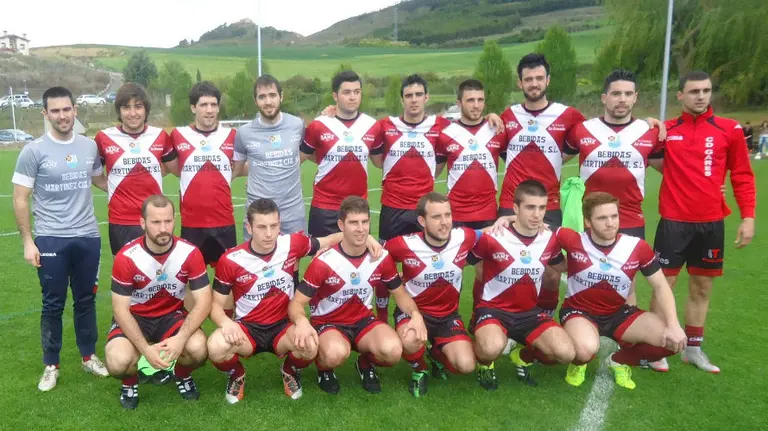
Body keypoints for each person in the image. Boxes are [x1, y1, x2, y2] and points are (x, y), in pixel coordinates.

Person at [207, 198, 379, 402]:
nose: (269, 233)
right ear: (249, 227)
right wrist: (226, 323)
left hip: (283, 327)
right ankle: (236, 375)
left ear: (280, 224)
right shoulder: (231, 260)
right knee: (216, 347)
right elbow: (215, 306)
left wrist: (366, 238)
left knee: (310, 345)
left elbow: (326, 240)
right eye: (261, 227)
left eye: (274, 226)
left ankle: (289, 370)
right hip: (247, 328)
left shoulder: (292, 244)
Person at [650, 71, 756, 373]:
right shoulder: (666, 130)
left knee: (702, 288)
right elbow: (643, 154)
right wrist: (647, 123)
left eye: (706, 90)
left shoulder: (729, 129)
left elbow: (742, 175)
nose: (701, 96)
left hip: (711, 224)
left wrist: (747, 216)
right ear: (680, 95)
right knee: (663, 285)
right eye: (694, 91)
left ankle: (693, 349)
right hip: (673, 222)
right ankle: (655, 347)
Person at [12, 86, 109, 392]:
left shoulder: (89, 146)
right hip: (51, 238)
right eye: (55, 111)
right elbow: (20, 198)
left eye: (67, 109)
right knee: (53, 304)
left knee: (85, 300)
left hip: (87, 237)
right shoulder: (33, 151)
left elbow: (99, 180)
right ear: (46, 114)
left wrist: (135, 185)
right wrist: (29, 241)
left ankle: (88, 355)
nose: (62, 115)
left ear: (75, 110)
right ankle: (51, 365)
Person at [289, 196, 426, 395]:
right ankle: (324, 369)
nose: (360, 229)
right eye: (353, 223)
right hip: (329, 323)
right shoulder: (324, 262)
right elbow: (297, 303)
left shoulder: (380, 258)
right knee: (335, 353)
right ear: (341, 225)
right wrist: (302, 322)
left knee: (393, 351)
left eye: (364, 222)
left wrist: (416, 315)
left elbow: (400, 294)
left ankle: (364, 363)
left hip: (364, 321)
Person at [559, 192, 687, 390]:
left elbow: (661, 286)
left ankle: (619, 360)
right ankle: (578, 364)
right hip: (579, 312)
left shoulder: (636, 247)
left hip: (619, 313)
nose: (610, 223)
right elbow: (535, 228)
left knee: (672, 342)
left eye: (614, 216)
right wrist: (508, 218)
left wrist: (674, 324)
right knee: (586, 350)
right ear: (587, 221)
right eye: (602, 218)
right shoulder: (573, 240)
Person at [499, 54, 587, 317]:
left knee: (551, 271)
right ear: (520, 83)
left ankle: (543, 318)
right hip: (509, 205)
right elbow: (501, 149)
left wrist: (649, 124)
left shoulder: (568, 115)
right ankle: (501, 317)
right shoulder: (508, 115)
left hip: (549, 205)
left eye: (539, 78)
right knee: (503, 268)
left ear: (548, 80)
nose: (534, 83)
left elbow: (599, 130)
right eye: (529, 79)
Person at [104, 195, 212, 409]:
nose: (163, 228)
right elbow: (120, 309)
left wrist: (180, 339)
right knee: (118, 361)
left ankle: (181, 375)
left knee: (198, 348)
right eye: (155, 222)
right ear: (143, 223)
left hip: (171, 317)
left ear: (174, 220)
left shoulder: (189, 253)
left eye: (168, 221)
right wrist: (145, 350)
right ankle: (129, 382)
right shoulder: (127, 257)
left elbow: (204, 302)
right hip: (136, 317)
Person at [370, 74, 504, 241]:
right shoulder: (385, 125)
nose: (414, 100)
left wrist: (491, 115)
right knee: (387, 257)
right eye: (409, 96)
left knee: (426, 258)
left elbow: (469, 121)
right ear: (401, 100)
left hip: (426, 207)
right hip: (393, 206)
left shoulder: (442, 125)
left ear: (426, 97)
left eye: (419, 95)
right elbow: (377, 161)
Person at [471, 181, 575, 390]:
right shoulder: (494, 236)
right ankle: (485, 364)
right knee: (491, 348)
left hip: (529, 313)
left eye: (542, 208)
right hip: (493, 310)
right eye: (530, 207)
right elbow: (461, 257)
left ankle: (522, 356)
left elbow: (561, 267)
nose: (537, 214)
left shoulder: (549, 239)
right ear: (516, 208)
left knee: (566, 353)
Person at [384, 192, 480, 397]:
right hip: (413, 313)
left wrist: (508, 219)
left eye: (448, 215)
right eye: (436, 217)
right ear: (422, 221)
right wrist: (394, 275)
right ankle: (420, 369)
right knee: (409, 341)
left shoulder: (464, 237)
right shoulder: (404, 244)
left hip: (448, 316)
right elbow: (377, 253)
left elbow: (489, 233)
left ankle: (435, 353)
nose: (444, 222)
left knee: (466, 365)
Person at [564, 69, 663, 240]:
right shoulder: (583, 129)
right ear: (604, 98)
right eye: (616, 93)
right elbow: (550, 160)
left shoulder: (650, 132)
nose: (622, 99)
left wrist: (714, 184)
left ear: (635, 97)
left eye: (628, 94)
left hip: (631, 220)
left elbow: (673, 171)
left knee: (627, 267)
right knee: (585, 268)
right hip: (590, 220)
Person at [95, 82, 175, 256]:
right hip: (121, 220)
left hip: (154, 219)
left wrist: (151, 174)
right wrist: (115, 187)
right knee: (125, 273)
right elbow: (95, 175)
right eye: (126, 107)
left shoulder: (160, 136)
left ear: (146, 109)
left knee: (156, 272)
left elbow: (172, 167)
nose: (132, 113)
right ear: (119, 111)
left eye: (138, 107)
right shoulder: (104, 138)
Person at [301, 71, 383, 237]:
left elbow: (379, 162)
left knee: (357, 261)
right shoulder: (318, 125)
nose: (352, 97)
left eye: (357, 92)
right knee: (322, 261)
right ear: (335, 96)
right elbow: (299, 158)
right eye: (346, 92)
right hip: (324, 207)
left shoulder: (373, 126)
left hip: (357, 208)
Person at [169, 82, 237, 267]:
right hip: (192, 224)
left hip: (224, 222)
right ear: (193, 107)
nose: (209, 110)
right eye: (203, 105)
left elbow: (240, 166)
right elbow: (172, 168)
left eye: (213, 105)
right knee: (191, 280)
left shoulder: (231, 135)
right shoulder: (178, 135)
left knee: (228, 281)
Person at [233, 75, 307, 236]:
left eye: (272, 95)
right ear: (255, 101)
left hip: (292, 213)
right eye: (262, 97)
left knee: (292, 260)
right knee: (255, 261)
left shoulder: (297, 125)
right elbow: (236, 169)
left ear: (281, 96)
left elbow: (306, 153)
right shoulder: (244, 133)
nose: (268, 102)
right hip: (258, 214)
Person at [436, 79, 506, 230]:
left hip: (489, 216)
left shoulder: (497, 130)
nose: (476, 105)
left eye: (480, 100)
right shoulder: (446, 133)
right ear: (459, 103)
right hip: (456, 217)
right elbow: (433, 172)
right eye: (470, 100)